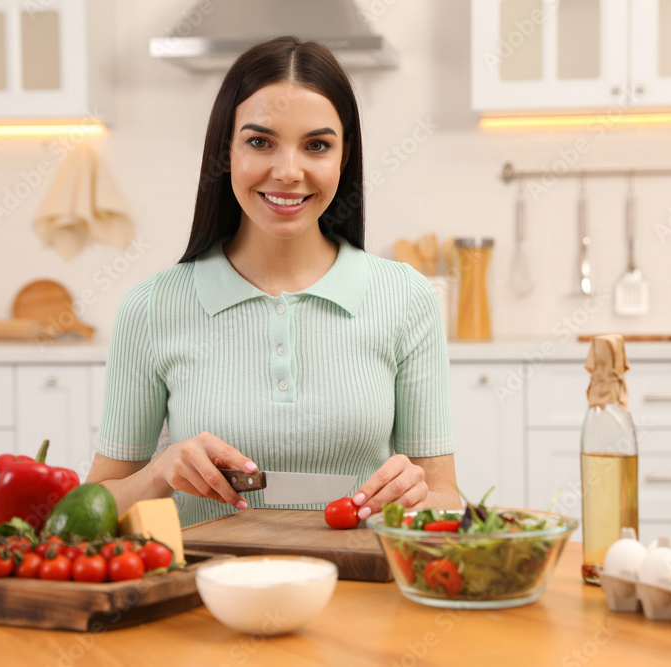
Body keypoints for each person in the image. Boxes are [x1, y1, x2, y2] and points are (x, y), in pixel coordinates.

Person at [87, 36, 458, 526]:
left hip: (362, 591)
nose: (288, 172)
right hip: (202, 594)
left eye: (317, 145)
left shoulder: (407, 299)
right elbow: (89, 511)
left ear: (344, 158)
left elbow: (445, 498)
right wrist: (158, 472)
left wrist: (419, 497)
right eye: (260, 142)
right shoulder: (151, 308)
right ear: (226, 153)